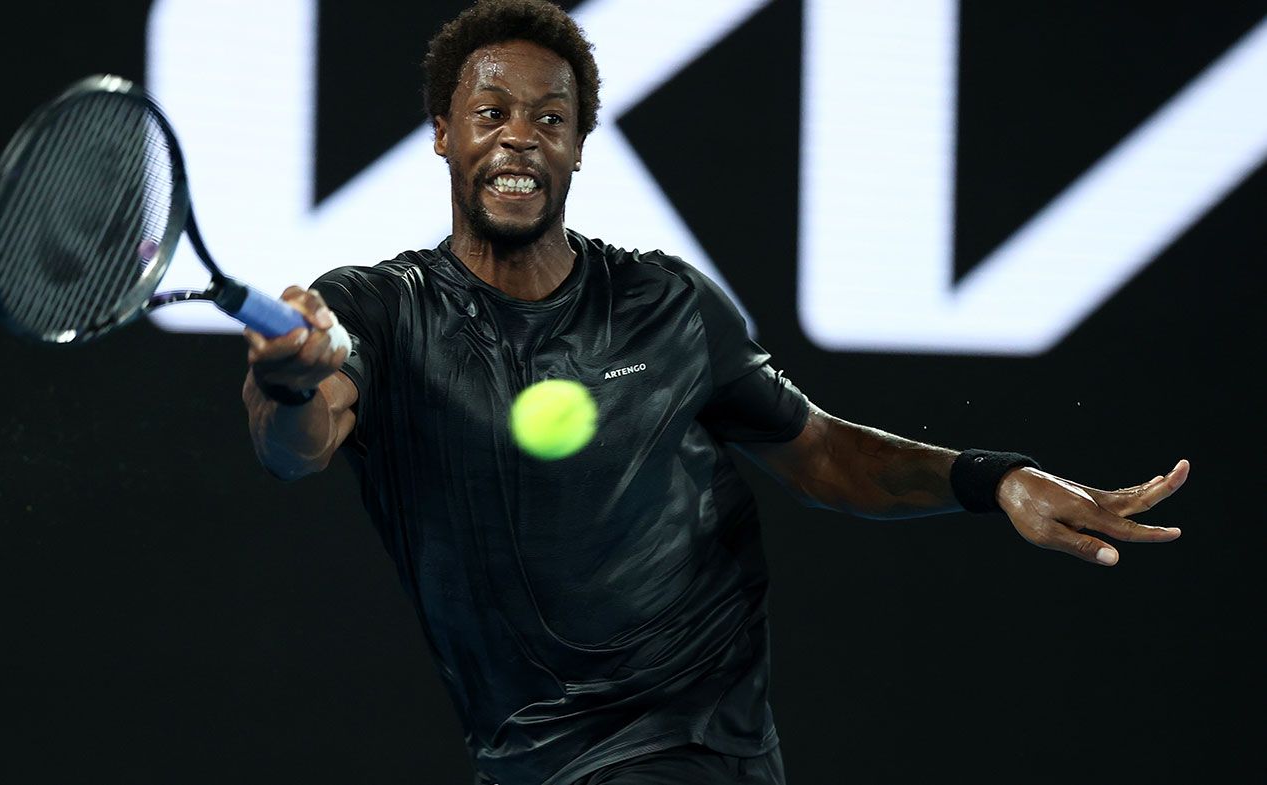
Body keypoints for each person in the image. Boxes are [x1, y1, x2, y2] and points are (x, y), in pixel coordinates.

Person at [239, 1, 1189, 783]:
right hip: (527, 760)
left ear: (580, 144)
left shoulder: (669, 303)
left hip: (693, 743)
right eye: (491, 114)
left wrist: (994, 478)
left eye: (552, 117)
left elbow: (818, 450)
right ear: (444, 133)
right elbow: (302, 443)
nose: (520, 137)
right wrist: (286, 378)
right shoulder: (381, 309)